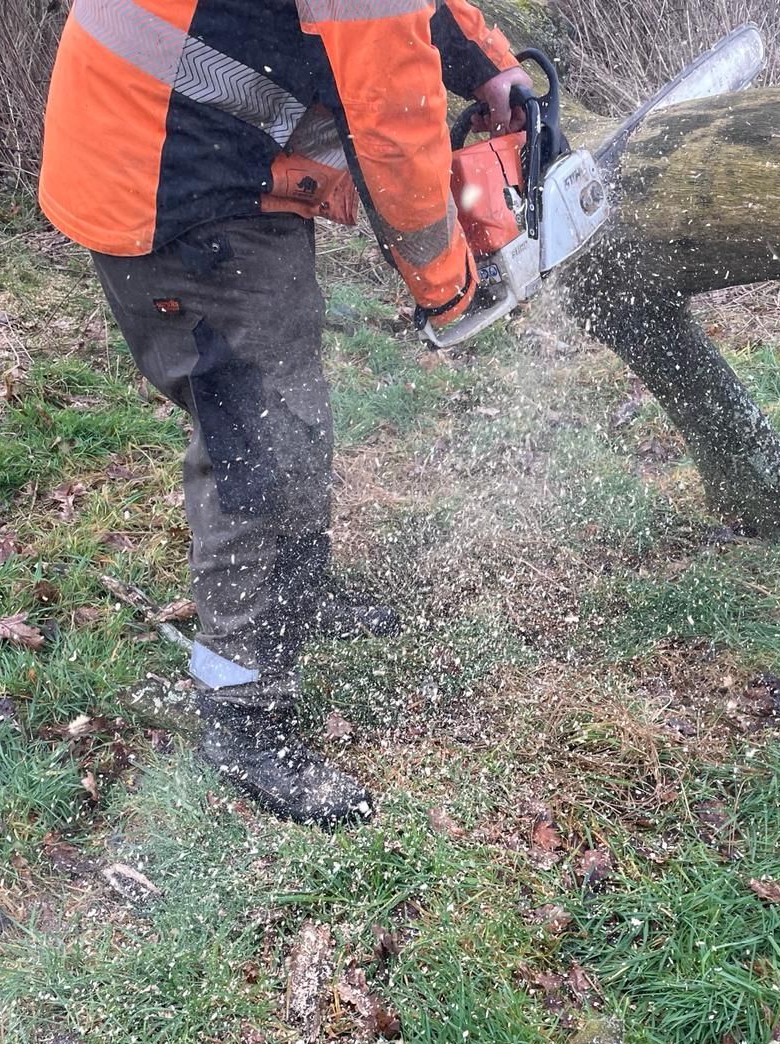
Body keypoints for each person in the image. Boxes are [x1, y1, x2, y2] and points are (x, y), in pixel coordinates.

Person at [39, 0, 532, 825]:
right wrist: (448, 285)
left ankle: (300, 597)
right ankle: (240, 713)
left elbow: (399, 13)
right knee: (254, 452)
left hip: (199, 143)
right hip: (163, 174)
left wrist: (488, 67)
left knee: (287, 408)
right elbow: (393, 122)